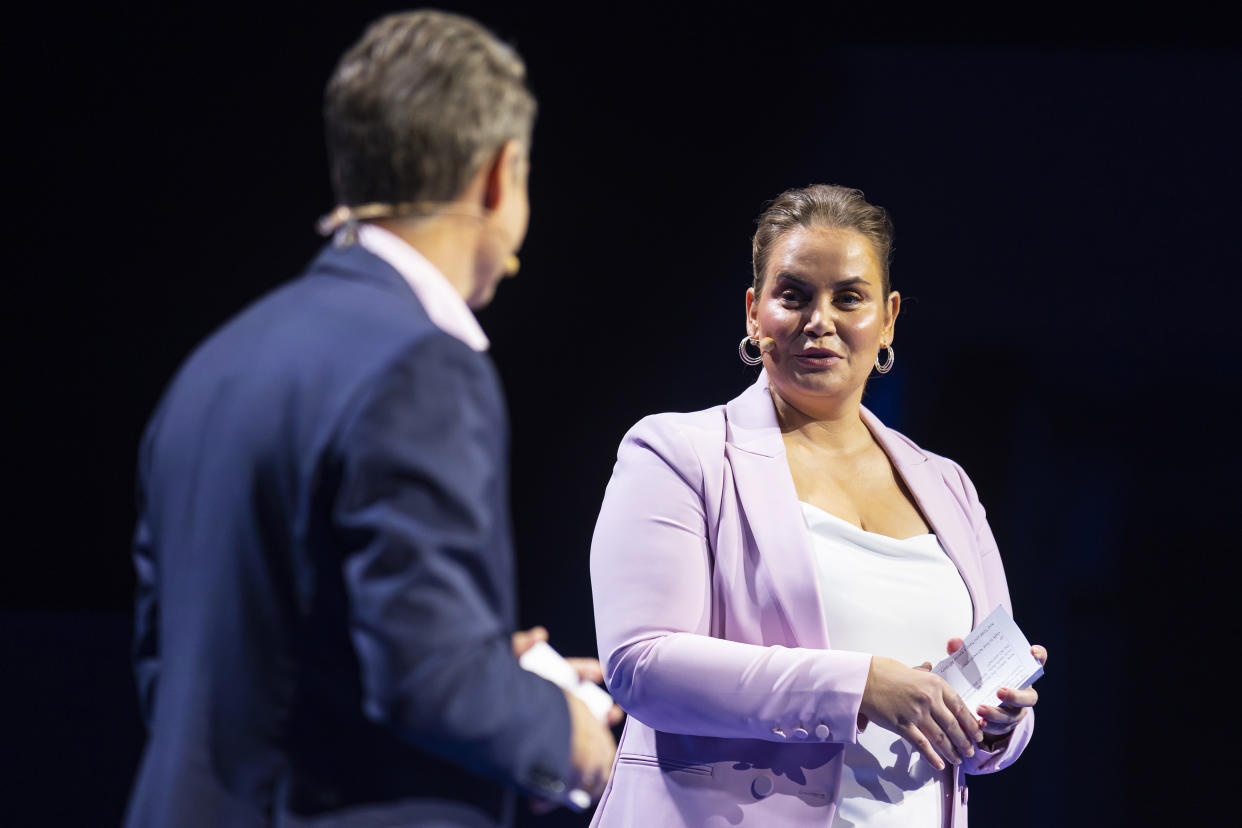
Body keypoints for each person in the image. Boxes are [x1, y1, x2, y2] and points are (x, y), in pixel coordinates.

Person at [124, 11, 615, 828]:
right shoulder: (424, 366)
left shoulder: (213, 363)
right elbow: (428, 679)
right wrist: (567, 730)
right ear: (500, 178)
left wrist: (489, 667)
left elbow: (182, 667)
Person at [588, 184, 1047, 826]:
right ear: (755, 312)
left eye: (849, 297)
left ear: (888, 319)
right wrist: (859, 685)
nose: (819, 320)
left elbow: (990, 722)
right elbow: (643, 666)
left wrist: (997, 722)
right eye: (794, 295)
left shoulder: (948, 486)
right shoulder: (679, 453)